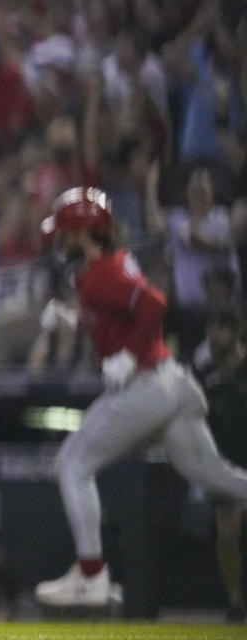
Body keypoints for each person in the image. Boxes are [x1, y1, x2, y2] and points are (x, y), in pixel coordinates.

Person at [33, 187, 247, 608]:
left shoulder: (104, 270)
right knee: (213, 476)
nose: (60, 240)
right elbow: (111, 314)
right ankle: (90, 576)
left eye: (67, 232)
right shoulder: (98, 270)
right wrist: (69, 319)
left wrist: (131, 355)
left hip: (148, 383)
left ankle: (91, 576)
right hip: (169, 383)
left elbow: (154, 303)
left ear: (85, 231)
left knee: (72, 464)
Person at [192, 308, 247, 622]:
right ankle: (235, 602)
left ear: (235, 331)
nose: (214, 335)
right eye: (210, 326)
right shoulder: (205, 374)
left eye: (221, 328)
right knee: (228, 533)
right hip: (225, 463)